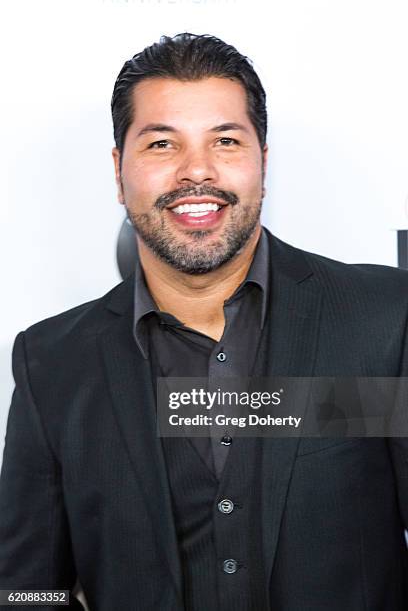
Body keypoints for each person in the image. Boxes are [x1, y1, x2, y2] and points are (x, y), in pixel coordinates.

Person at [1, 32, 408, 611]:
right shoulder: (51, 363)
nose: (198, 171)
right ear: (119, 172)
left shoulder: (383, 322)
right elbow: (25, 589)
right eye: (162, 144)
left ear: (263, 163)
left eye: (225, 140)